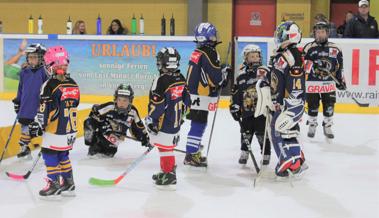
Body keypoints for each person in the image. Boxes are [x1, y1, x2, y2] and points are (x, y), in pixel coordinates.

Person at [255, 21, 306, 177]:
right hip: (285, 101)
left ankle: (287, 160)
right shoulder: (286, 54)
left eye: (282, 34)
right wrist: (267, 77)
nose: (278, 37)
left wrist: (285, 102)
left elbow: (293, 83)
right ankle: (297, 159)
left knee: (277, 130)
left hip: (287, 102)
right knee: (288, 131)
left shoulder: (292, 55)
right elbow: (277, 76)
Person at [28, 46, 79, 199]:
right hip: (70, 130)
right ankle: (69, 182)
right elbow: (75, 104)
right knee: (63, 154)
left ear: (52, 65)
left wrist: (38, 125)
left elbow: (46, 110)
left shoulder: (49, 85)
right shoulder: (73, 83)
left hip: (55, 130)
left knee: (49, 155)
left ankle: (54, 184)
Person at [184, 22, 229, 167]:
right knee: (199, 123)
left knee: (198, 122)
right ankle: (191, 154)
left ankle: (193, 149)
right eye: (214, 34)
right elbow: (215, 79)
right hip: (201, 95)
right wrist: (224, 73)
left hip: (193, 93)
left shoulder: (198, 51)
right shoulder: (209, 52)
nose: (216, 37)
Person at [145, 47, 191, 189]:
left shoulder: (160, 80)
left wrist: (151, 120)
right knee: (166, 147)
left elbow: (157, 105)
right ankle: (165, 170)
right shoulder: (180, 77)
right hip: (176, 120)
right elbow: (187, 101)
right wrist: (182, 115)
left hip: (164, 121)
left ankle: (169, 174)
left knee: (166, 148)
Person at [303, 21, 346, 139]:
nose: (320, 35)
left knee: (329, 105)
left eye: (322, 32)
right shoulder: (309, 48)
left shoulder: (335, 48)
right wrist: (313, 65)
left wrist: (341, 81)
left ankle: (327, 125)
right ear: (314, 33)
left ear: (327, 33)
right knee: (312, 105)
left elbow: (339, 66)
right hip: (312, 82)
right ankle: (312, 124)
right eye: (318, 32)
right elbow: (303, 65)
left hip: (328, 83)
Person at [230, 44, 271, 165]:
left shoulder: (265, 73)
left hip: (261, 111)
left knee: (262, 133)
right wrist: (235, 107)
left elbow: (272, 89)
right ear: (246, 59)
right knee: (245, 132)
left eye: (256, 56)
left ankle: (266, 153)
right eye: (251, 56)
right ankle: (244, 152)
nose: (254, 59)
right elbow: (236, 94)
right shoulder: (241, 77)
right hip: (247, 111)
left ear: (260, 58)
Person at [83, 84, 150, 158]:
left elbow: (138, 127)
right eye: (119, 100)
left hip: (115, 140)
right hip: (100, 137)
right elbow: (93, 113)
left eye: (125, 100)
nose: (122, 103)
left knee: (109, 153)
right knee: (88, 122)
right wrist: (104, 127)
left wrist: (145, 138)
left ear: (130, 101)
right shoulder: (109, 107)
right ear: (115, 99)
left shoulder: (133, 112)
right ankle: (93, 145)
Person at [12, 43, 48, 159]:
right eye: (30, 57)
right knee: (25, 127)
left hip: (38, 107)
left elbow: (49, 90)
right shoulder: (24, 72)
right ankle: (25, 148)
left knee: (37, 128)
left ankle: (44, 146)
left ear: (42, 58)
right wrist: (18, 101)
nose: (31, 60)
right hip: (26, 106)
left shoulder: (44, 72)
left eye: (34, 57)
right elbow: (20, 89)